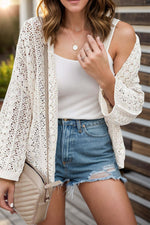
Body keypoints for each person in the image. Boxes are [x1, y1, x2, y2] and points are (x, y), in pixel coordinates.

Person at [0, 0, 144, 225]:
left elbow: (131, 110)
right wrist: (6, 171)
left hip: (95, 149)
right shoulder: (33, 32)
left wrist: (105, 76)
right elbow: (17, 104)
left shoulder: (121, 34)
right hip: (42, 151)